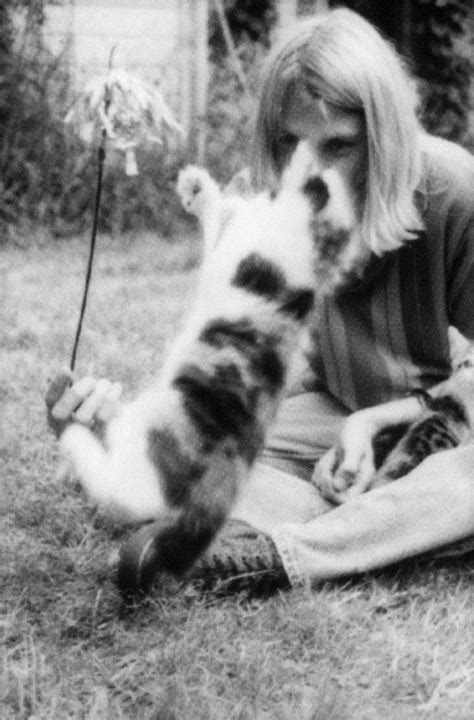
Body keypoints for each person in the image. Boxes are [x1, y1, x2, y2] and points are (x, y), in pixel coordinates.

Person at [47, 8, 474, 594]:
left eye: (340, 146)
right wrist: (109, 431)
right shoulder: (273, 204)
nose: (312, 173)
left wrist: (378, 420)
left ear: (386, 138)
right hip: (334, 411)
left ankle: (283, 555)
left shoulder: (453, 192)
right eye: (292, 145)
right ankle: (376, 518)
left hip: (446, 424)